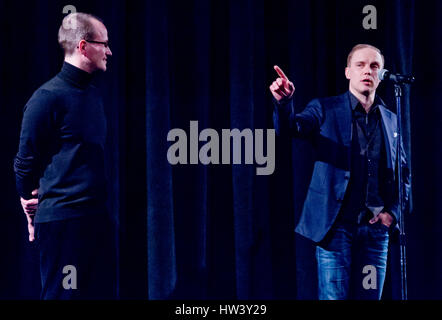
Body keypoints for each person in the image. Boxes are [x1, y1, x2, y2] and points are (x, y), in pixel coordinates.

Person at [270, 44, 410, 300]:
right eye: (361, 65)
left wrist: (393, 213)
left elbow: (403, 174)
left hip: (376, 231)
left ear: (381, 74)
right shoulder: (325, 109)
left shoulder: (391, 119)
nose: (368, 71)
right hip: (335, 228)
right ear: (348, 72)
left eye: (374, 66)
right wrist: (284, 103)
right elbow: (291, 129)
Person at [14, 12, 115, 299]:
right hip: (64, 226)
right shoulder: (47, 98)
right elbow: (25, 160)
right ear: (83, 47)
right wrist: (27, 197)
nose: (109, 51)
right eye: (103, 43)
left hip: (95, 219)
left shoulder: (93, 96)